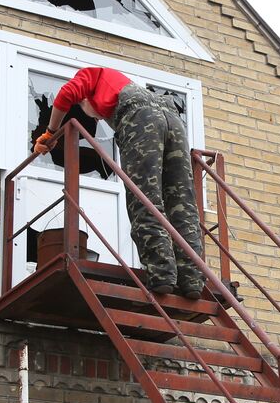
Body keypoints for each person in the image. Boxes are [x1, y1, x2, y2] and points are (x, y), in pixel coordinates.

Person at [32, 67, 205, 298]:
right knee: (182, 202)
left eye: (90, 112)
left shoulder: (91, 76)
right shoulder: (124, 84)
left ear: (86, 98)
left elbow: (66, 94)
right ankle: (192, 280)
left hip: (142, 120)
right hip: (173, 119)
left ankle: (162, 274)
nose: (97, 117)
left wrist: (50, 132)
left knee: (144, 196)